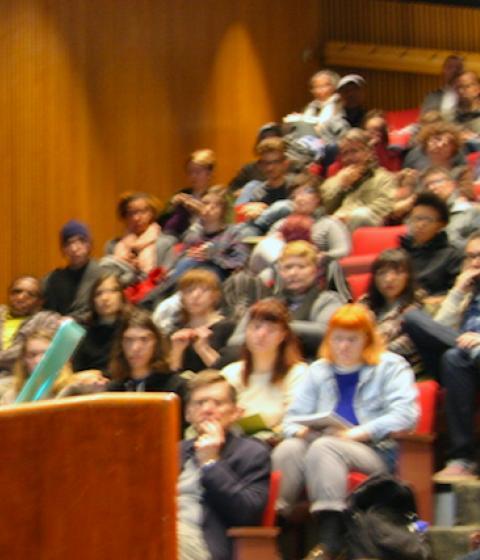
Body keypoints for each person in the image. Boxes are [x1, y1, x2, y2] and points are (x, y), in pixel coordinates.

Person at [272, 304, 418, 560]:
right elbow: (291, 420)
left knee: (324, 447)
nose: (344, 346)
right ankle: (275, 525)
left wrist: (359, 433)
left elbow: (406, 415)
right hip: (325, 442)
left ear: (367, 339)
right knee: (290, 447)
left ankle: (331, 539)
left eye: (352, 339)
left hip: (375, 450)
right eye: (338, 339)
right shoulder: (318, 370)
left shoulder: (391, 366)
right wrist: (302, 432)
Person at [402, 231, 480, 481]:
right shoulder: (466, 293)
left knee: (453, 358)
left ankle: (462, 459)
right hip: (463, 364)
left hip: (463, 360)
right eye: (470, 257)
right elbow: (439, 328)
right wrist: (457, 291)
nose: (475, 262)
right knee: (414, 318)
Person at [178, 370, 270, 560]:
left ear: (236, 413)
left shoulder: (252, 453)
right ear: (188, 414)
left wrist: (211, 463)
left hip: (203, 544)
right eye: (199, 403)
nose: (207, 409)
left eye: (218, 403)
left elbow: (248, 514)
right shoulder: (174, 451)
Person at [222, 299, 307, 440]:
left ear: (282, 336)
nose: (261, 335)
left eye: (271, 330)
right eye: (256, 327)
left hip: (276, 443)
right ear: (246, 331)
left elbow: (296, 420)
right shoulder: (230, 372)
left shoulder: (298, 373)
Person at [248, 174, 351, 274]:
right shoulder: (282, 224)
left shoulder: (329, 224)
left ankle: (290, 269)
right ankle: (287, 270)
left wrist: (322, 256)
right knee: (267, 248)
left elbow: (343, 251)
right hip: (280, 270)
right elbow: (265, 252)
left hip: (314, 271)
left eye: (306, 192)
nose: (300, 198)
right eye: (295, 194)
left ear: (317, 198)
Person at [358, 249, 424, 373]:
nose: (389, 279)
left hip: (399, 369)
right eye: (381, 273)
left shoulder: (418, 305)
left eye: (398, 273)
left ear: (408, 276)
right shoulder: (365, 303)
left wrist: (370, 349)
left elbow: (406, 345)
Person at [321, 128, 395, 230]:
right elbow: (323, 207)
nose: (349, 158)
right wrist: (341, 186)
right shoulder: (336, 180)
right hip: (336, 228)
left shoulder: (384, 177)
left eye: (354, 151)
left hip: (366, 229)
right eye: (345, 153)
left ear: (369, 152)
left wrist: (349, 216)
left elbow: (386, 206)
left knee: (360, 215)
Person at [167, 270, 235, 374]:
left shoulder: (228, 327)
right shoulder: (176, 331)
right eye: (189, 291)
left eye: (204, 290)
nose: (195, 296)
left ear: (215, 295)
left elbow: (228, 372)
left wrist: (203, 349)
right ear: (182, 297)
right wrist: (176, 351)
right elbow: (170, 377)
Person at [101, 191, 175, 285]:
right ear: (124, 217)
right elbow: (108, 280)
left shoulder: (165, 243)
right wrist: (128, 268)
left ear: (152, 213)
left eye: (143, 212)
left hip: (154, 295)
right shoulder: (112, 245)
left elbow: (167, 280)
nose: (136, 218)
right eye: (130, 213)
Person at [400, 191, 463, 298]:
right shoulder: (400, 252)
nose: (421, 225)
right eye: (417, 218)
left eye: (428, 220)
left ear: (441, 225)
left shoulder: (452, 256)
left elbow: (457, 293)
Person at [0, 275, 60, 374]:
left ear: (41, 301)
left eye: (30, 294)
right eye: (17, 291)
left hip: (19, 377)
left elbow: (30, 352)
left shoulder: (48, 320)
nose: (21, 297)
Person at [43, 220, 102, 319]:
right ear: (63, 249)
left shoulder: (103, 275)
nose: (74, 248)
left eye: (81, 241)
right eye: (68, 243)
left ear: (89, 245)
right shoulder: (52, 279)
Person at [72, 272, 129, 374]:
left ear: (122, 296)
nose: (105, 298)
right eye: (98, 293)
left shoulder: (132, 328)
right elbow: (77, 370)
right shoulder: (84, 334)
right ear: (92, 301)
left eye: (112, 291)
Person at [0, 328, 75, 404]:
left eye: (46, 354)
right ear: (24, 361)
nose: (38, 361)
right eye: (32, 355)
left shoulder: (74, 389)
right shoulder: (11, 396)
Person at [159, 149, 216, 238]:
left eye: (197, 172)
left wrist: (200, 210)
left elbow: (226, 223)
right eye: (190, 172)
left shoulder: (218, 195)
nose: (193, 176)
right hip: (178, 237)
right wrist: (172, 205)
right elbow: (161, 223)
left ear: (209, 174)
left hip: (207, 238)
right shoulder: (181, 193)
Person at [421, 166, 480, 247]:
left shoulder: (470, 210)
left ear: (452, 184)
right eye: (427, 185)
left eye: (436, 182)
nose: (432, 188)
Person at [228, 122, 283, 192]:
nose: (270, 168)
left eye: (273, 137)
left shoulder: (293, 166)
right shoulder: (249, 169)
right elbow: (231, 190)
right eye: (265, 138)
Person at [421, 54, 464, 120]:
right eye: (450, 67)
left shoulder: (470, 96)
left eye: (458, 68)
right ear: (443, 71)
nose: (454, 71)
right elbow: (425, 120)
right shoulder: (432, 96)